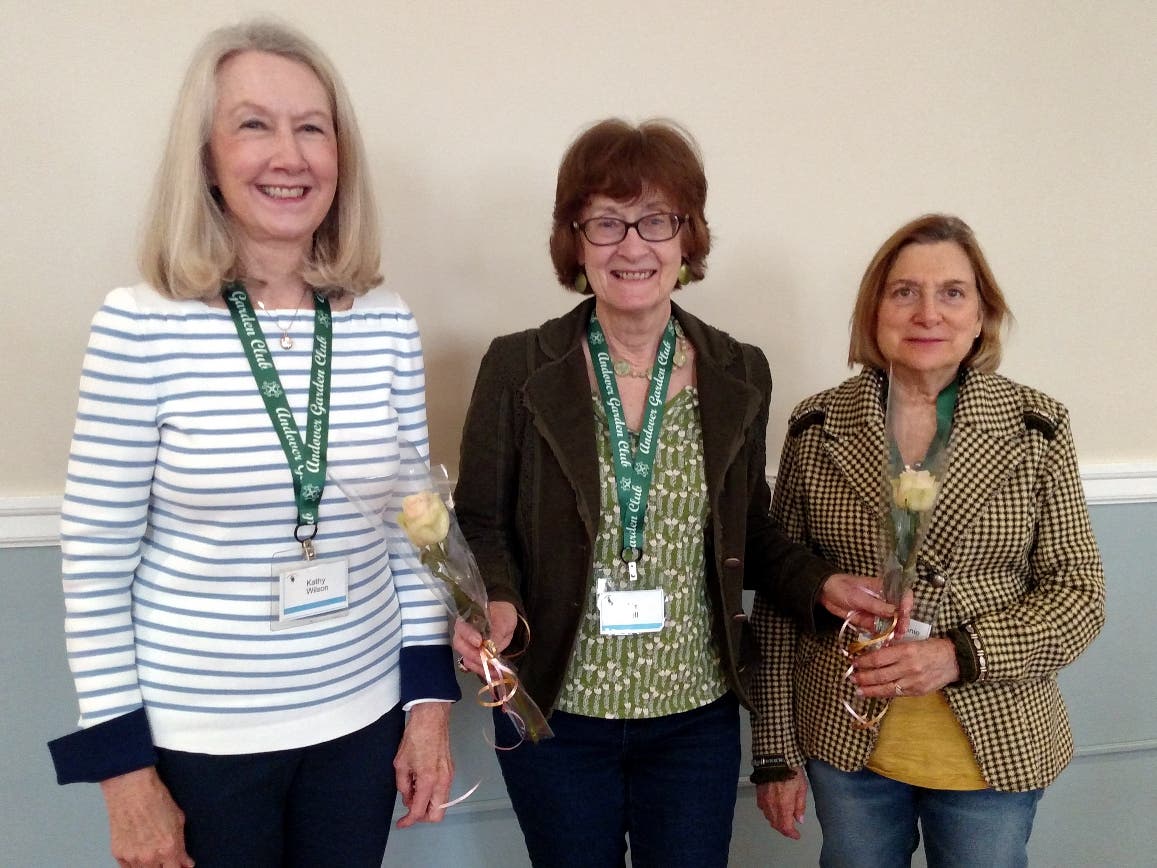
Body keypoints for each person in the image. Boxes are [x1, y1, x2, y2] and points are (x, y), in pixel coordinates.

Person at [47, 20, 459, 867]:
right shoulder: (140, 326)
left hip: (360, 721)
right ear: (204, 155)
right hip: (200, 740)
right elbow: (94, 565)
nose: (290, 154)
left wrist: (427, 707)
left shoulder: (383, 323)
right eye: (253, 124)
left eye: (312, 127)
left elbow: (415, 531)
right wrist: (124, 776)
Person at [450, 118, 898, 868]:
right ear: (574, 240)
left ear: (687, 240)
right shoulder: (517, 368)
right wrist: (496, 596)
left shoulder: (737, 371)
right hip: (557, 712)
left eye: (656, 220)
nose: (632, 245)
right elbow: (482, 520)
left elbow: (748, 533)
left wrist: (819, 584)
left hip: (693, 717)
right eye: (605, 222)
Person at [750, 213, 1106, 867]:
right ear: (875, 310)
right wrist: (773, 751)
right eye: (903, 291)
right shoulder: (817, 424)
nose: (927, 313)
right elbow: (780, 595)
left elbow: (1079, 595)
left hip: (991, 747)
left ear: (980, 316)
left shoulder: (1036, 427)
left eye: (951, 293)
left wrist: (956, 655)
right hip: (845, 745)